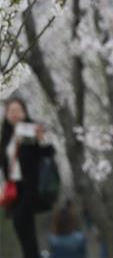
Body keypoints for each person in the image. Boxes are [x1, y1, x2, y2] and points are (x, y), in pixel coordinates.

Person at [1, 96, 55, 258]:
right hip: (14, 187)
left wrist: (42, 139)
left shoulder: (32, 129)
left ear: (24, 112)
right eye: (11, 111)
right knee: (24, 227)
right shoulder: (6, 136)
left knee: (20, 220)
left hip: (31, 185)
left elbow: (49, 153)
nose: (14, 114)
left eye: (17, 110)